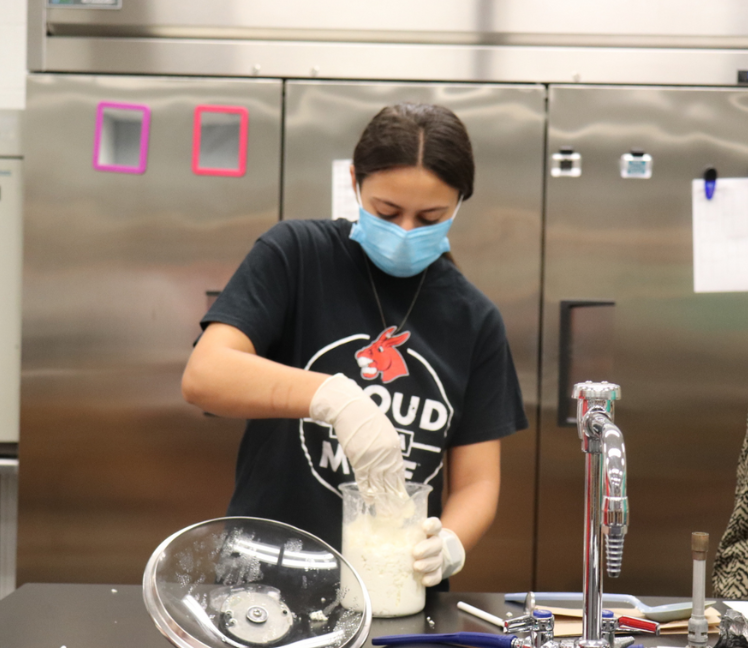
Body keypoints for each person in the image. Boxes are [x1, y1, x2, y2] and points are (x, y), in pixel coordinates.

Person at [182, 102, 528, 589]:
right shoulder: (297, 256)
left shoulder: (474, 319)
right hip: (265, 579)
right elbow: (205, 376)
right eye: (387, 211)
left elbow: (478, 482)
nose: (406, 231)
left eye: (431, 217)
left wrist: (449, 543)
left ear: (460, 204)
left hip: (392, 586)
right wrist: (335, 399)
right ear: (355, 183)